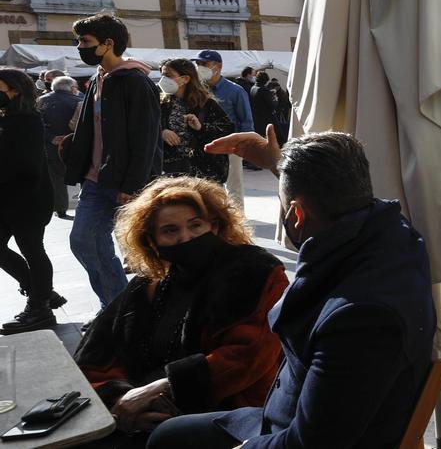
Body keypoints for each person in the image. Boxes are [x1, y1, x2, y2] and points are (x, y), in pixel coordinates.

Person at [148, 131, 437, 449]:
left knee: (164, 440)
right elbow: (330, 187)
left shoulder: (358, 319)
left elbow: (310, 443)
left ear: (296, 215)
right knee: (167, 435)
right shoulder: (396, 236)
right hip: (287, 415)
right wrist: (279, 163)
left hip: (299, 432)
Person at [74, 177, 287, 442]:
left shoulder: (255, 273)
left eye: (195, 225)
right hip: (145, 413)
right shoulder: (149, 284)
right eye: (170, 230)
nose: (185, 237)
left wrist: (162, 388)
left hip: (233, 417)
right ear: (153, 241)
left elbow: (247, 358)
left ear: (215, 225)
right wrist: (121, 400)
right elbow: (96, 356)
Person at [62, 14, 162, 308]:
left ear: (108, 44)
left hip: (127, 183)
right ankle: (116, 307)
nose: (80, 46)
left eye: (85, 41)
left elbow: (146, 139)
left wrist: (132, 184)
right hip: (96, 180)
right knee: (83, 241)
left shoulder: (136, 82)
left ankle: (133, 313)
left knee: (146, 251)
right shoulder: (98, 79)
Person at [0, 69, 66, 334]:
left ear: (15, 90)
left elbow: (25, 165)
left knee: (32, 249)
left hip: (27, 199)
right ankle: (43, 295)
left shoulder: (26, 119)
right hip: (8, 199)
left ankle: (40, 308)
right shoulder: (8, 117)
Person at [193, 51, 253, 208]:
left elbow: (246, 121)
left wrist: (243, 147)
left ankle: (236, 221)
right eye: (198, 64)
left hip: (230, 146)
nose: (200, 68)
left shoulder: (235, 91)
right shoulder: (196, 90)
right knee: (207, 185)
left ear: (218, 66)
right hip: (203, 145)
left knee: (234, 186)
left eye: (204, 64)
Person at [158, 59, 233, 183]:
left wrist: (201, 128)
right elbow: (148, 128)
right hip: (171, 172)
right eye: (162, 75)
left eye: (168, 76)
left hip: (203, 172)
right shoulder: (163, 104)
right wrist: (162, 131)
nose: (163, 80)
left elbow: (226, 130)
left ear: (185, 79)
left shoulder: (206, 104)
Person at [38, 75, 82, 219]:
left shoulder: (41, 101)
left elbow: (37, 125)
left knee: (56, 178)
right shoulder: (79, 100)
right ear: (72, 87)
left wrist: (51, 138)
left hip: (50, 146)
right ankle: (84, 205)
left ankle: (61, 208)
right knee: (84, 175)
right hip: (75, 145)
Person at [249, 72, 278, 139]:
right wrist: (275, 99)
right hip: (265, 118)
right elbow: (272, 105)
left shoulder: (253, 88)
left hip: (256, 117)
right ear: (265, 80)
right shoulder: (263, 90)